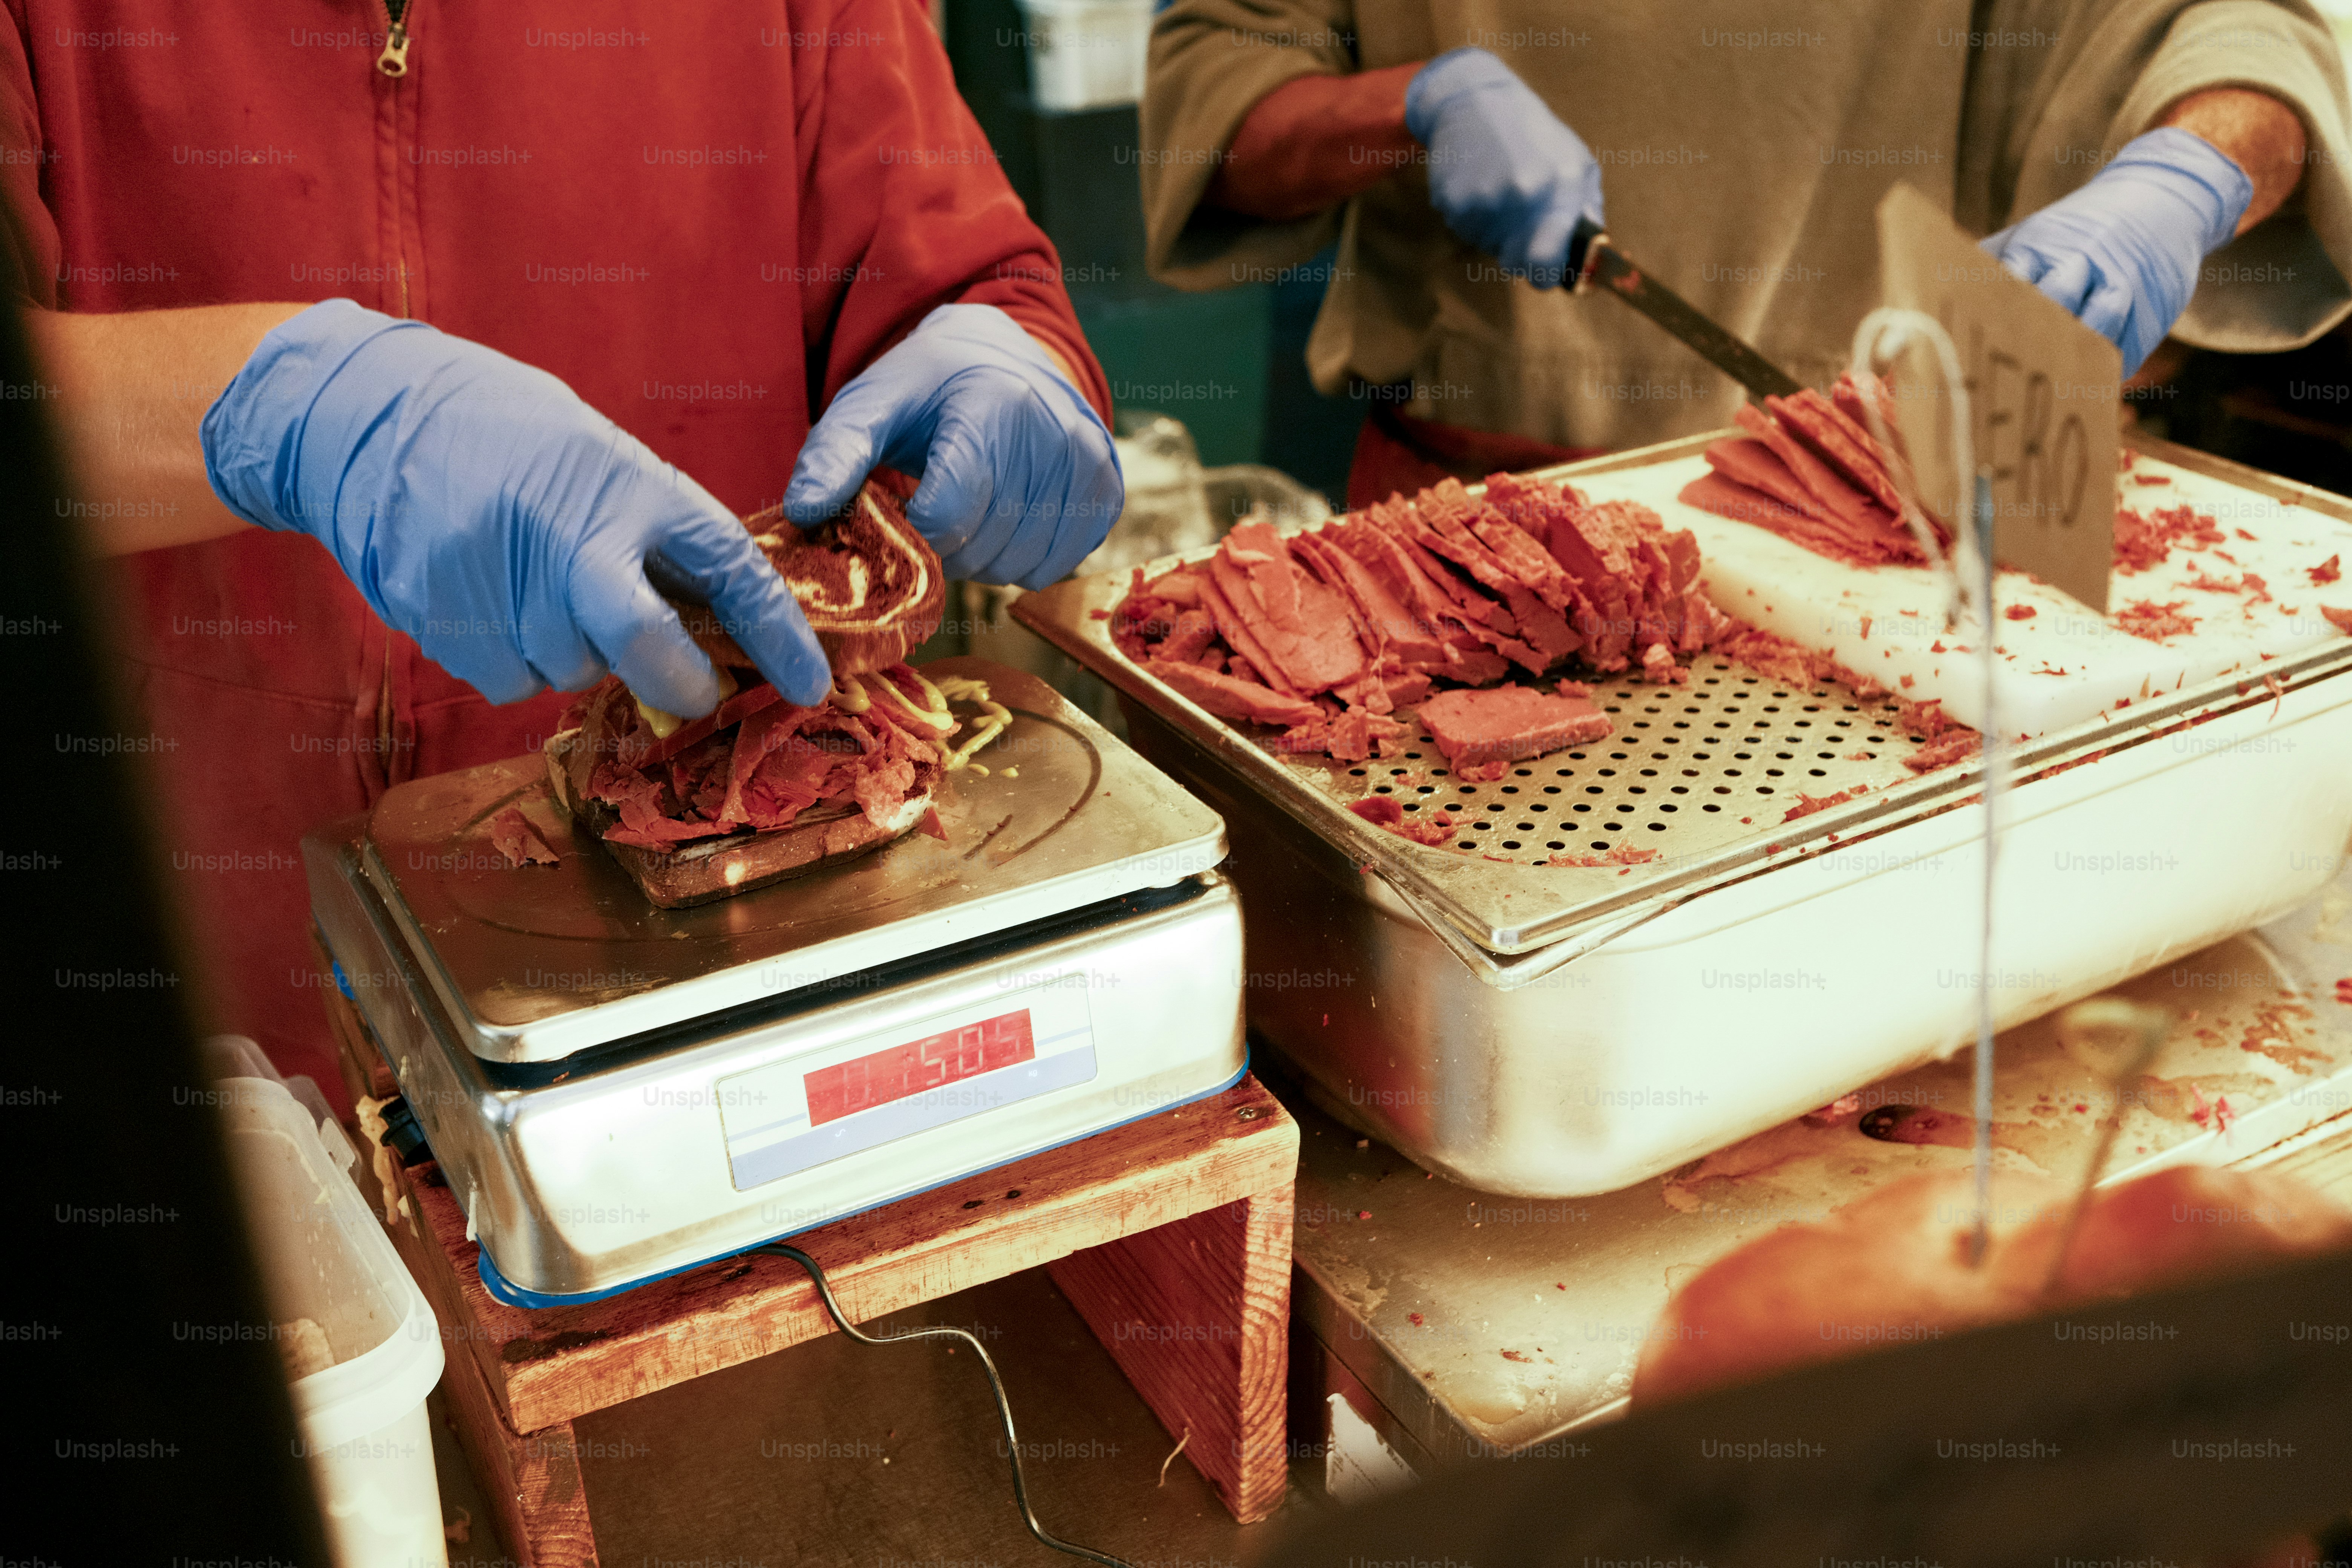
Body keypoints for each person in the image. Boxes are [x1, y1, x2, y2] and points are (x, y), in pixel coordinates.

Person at [3, 3, 1121, 1102]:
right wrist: (289, 413)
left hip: (721, 995)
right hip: (192, 983)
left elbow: (972, 276)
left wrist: (1024, 362)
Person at [1139, 2, 2352, 505]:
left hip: (1894, 493)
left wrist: (2187, 177)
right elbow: (1218, 83)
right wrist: (1409, 106)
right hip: (1476, 514)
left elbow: (2247, 29)